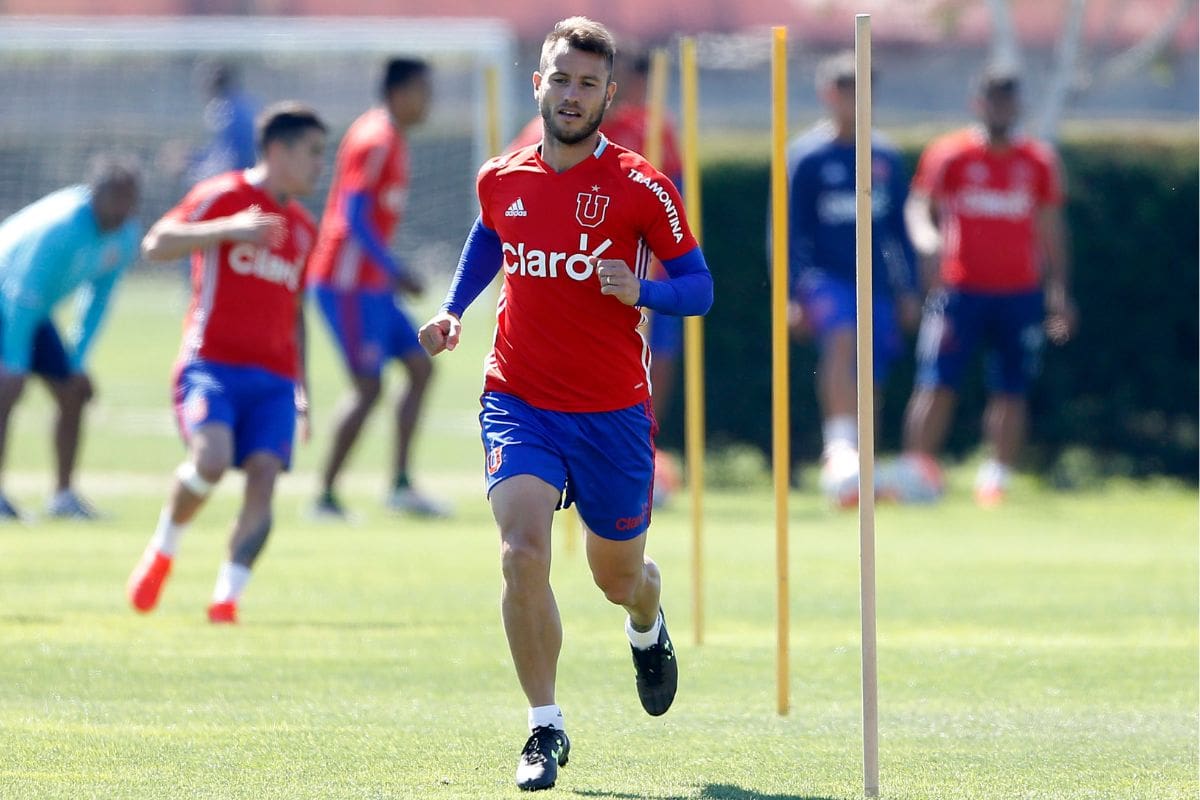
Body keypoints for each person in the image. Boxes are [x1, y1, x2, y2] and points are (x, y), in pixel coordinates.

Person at [418, 17, 712, 792]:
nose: (572, 94)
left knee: (616, 576)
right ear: (539, 84)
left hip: (613, 412)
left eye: (589, 83)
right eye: (561, 79)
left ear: (609, 95)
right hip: (519, 398)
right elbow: (490, 236)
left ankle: (646, 623)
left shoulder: (643, 187)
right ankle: (544, 729)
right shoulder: (502, 175)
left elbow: (701, 288)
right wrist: (453, 310)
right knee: (520, 551)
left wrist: (641, 289)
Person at [125, 102, 327, 623]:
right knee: (211, 461)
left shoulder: (304, 228)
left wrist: (302, 390)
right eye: (312, 153)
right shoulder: (225, 196)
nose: (319, 165)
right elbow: (155, 244)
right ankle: (163, 550)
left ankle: (226, 599)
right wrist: (227, 229)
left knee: (264, 477)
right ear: (278, 150)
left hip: (276, 379)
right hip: (210, 365)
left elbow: (296, 310)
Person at [890, 64, 1075, 506]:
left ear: (1017, 106)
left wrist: (1060, 290)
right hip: (959, 290)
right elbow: (919, 208)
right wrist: (928, 240)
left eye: (1007, 100)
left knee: (1011, 387)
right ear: (978, 103)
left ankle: (997, 479)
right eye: (992, 99)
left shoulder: (1037, 161)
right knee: (936, 381)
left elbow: (1051, 226)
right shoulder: (950, 154)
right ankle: (919, 473)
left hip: (1019, 291)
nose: (1000, 108)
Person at [509, 47, 687, 505]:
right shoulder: (564, 125)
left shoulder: (655, 129)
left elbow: (676, 201)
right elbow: (514, 192)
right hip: (571, 282)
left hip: (647, 275)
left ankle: (646, 451)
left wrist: (657, 273)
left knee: (656, 361)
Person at [307, 57, 447, 519]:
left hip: (372, 286)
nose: (431, 102)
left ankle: (401, 485)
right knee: (368, 387)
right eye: (425, 92)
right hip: (346, 283)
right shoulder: (376, 139)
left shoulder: (394, 139)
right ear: (401, 92)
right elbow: (353, 216)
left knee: (421, 368)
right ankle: (324, 497)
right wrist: (395, 268)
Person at [784, 51, 920, 508]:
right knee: (843, 338)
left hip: (876, 283)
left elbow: (899, 230)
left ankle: (864, 468)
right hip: (824, 279)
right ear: (829, 96)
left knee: (873, 366)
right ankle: (839, 447)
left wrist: (908, 290)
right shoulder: (806, 157)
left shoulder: (884, 156)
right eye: (846, 93)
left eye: (863, 93)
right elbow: (785, 231)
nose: (855, 102)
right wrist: (789, 293)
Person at [0, 156, 141, 520]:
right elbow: (20, 289)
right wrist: (13, 362)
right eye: (117, 197)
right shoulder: (62, 226)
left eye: (131, 198)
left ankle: (63, 498)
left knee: (73, 391)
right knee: (6, 390)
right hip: (9, 297)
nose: (124, 208)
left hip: (33, 308)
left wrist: (78, 361)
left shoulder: (125, 234)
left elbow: (98, 299)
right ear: (96, 194)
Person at [187, 60, 260, 184]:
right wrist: (193, 157)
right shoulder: (245, 104)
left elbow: (231, 159)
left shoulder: (226, 110)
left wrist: (193, 170)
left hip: (238, 183)